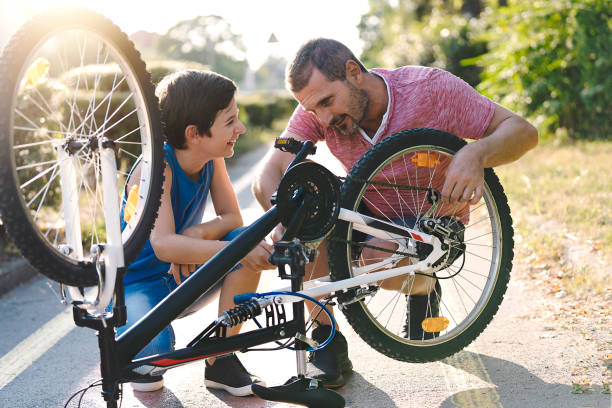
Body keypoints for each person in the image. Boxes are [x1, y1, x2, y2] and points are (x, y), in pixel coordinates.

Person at [252, 38, 538, 387]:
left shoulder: (429, 90)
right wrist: (285, 219)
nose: (324, 118)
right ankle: (325, 341)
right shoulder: (319, 109)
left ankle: (423, 287)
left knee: (376, 254)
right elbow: (268, 174)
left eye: (327, 102)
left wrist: (476, 154)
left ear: (353, 73)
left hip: (431, 226)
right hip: (366, 212)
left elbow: (523, 131)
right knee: (307, 220)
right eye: (314, 111)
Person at [118, 70, 274, 395]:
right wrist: (231, 250)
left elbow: (232, 218)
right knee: (150, 367)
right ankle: (135, 332)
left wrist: (197, 235)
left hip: (181, 276)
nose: (240, 128)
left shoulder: (211, 159)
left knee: (242, 238)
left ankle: (222, 358)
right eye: (230, 121)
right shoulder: (156, 167)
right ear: (194, 134)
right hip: (139, 283)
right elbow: (163, 245)